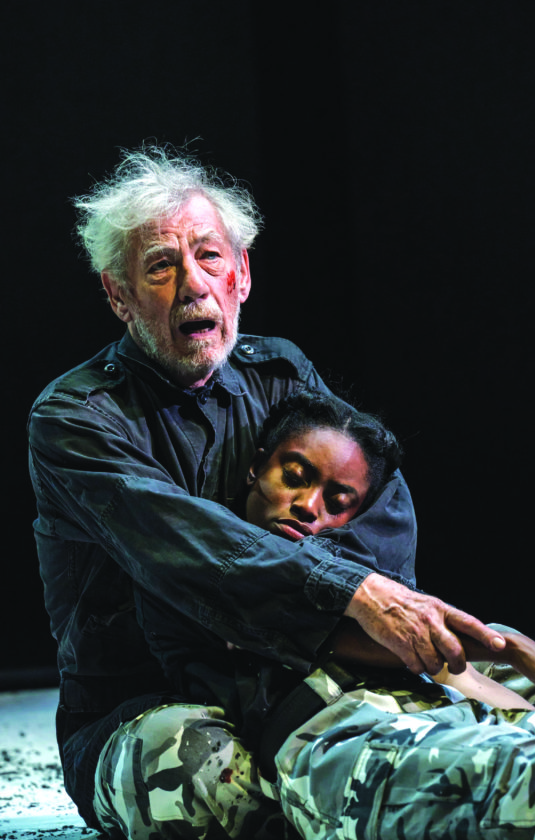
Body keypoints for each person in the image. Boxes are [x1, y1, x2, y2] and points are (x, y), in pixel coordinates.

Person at [28, 145, 505, 838]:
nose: (194, 284)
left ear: (242, 275)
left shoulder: (280, 373)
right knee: (208, 779)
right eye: (161, 266)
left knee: (440, 720)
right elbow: (179, 545)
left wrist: (350, 600)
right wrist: (346, 592)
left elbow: (379, 502)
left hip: (285, 671)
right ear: (118, 296)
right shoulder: (74, 417)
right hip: (143, 704)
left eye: (209, 257)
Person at [115, 389, 535, 840]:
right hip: (340, 734)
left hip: (437, 706)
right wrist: (510, 649)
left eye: (338, 501)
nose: (308, 506)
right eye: (294, 477)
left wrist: (525, 701)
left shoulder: (353, 568)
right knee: (526, 782)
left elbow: (457, 675)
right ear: (256, 466)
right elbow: (300, 618)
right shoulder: (203, 566)